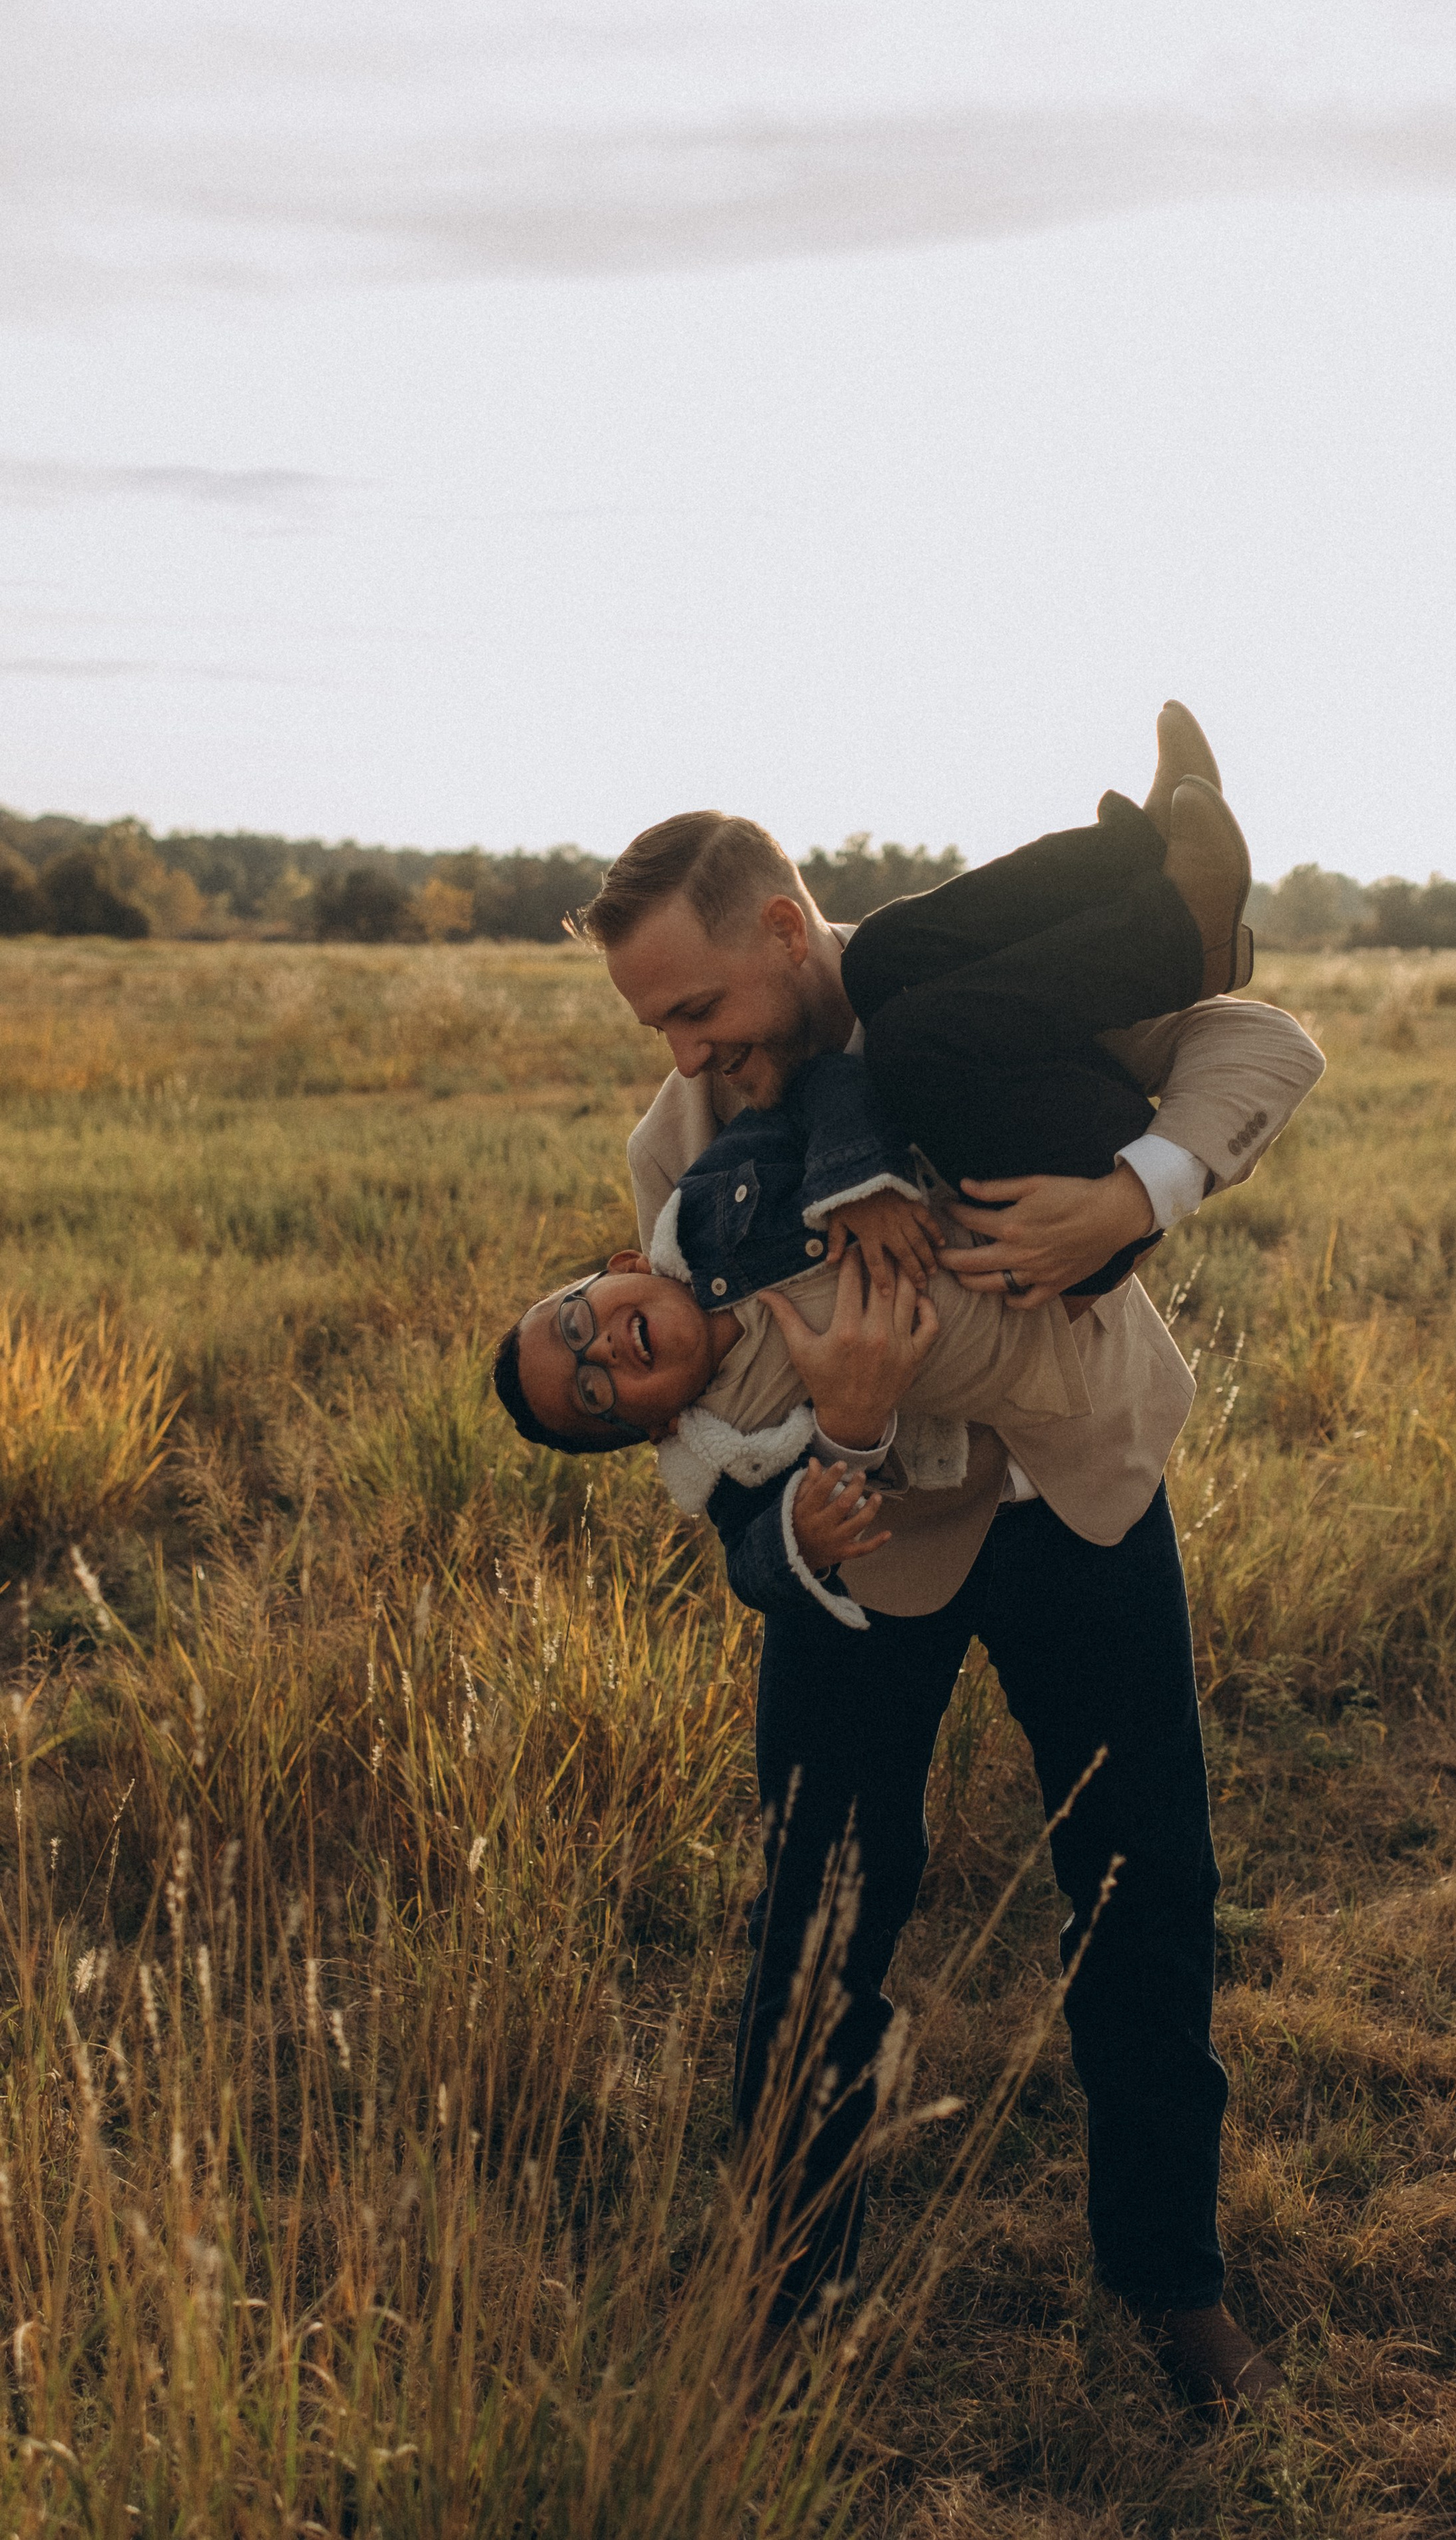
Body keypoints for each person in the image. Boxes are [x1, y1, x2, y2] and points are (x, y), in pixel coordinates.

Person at [535, 706, 1322, 2413]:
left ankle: (1171, 2284)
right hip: (869, 1548)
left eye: (695, 1008)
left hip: (1083, 1502)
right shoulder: (676, 1165)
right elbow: (717, 1452)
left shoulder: (964, 999)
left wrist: (1138, 1195)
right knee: (822, 1912)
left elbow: (1253, 1038)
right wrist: (844, 1436)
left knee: (1145, 1886)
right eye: (651, 1024)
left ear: (778, 934)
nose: (679, 1054)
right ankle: (784, 2296)